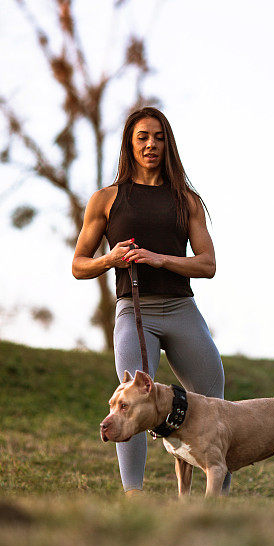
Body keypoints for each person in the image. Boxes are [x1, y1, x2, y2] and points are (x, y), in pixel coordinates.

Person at [72, 107, 231, 496]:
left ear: (168, 143)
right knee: (129, 403)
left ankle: (220, 500)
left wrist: (160, 258)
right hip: (134, 312)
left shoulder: (185, 200)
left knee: (214, 401)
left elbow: (207, 264)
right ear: (130, 142)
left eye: (159, 137)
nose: (151, 145)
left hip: (181, 310)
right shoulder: (107, 199)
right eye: (143, 137)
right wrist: (110, 258)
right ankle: (134, 498)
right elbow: (78, 264)